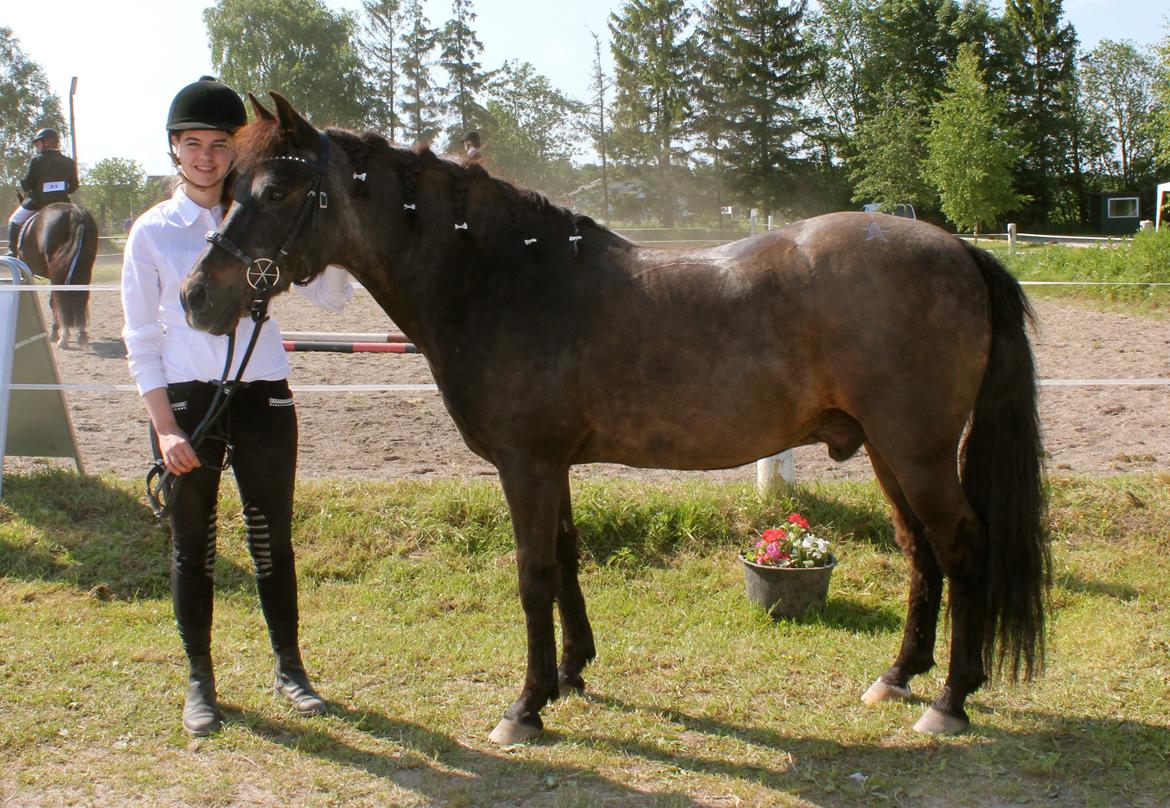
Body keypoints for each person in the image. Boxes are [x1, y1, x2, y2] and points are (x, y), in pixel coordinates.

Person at [121, 77, 354, 737]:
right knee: (192, 546)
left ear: (235, 151)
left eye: (218, 144)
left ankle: (291, 669)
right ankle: (201, 680)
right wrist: (165, 430)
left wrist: (329, 235)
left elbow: (331, 299)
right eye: (191, 143)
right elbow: (141, 339)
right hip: (189, 406)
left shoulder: (261, 217)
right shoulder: (152, 235)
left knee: (270, 540)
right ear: (174, 149)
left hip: (264, 398)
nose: (204, 156)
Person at [7, 128, 79, 256]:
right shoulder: (69, 162)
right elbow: (74, 187)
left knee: (14, 220)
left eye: (38, 143)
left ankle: (12, 251)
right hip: (62, 202)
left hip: (38, 202)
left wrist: (23, 182)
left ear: (47, 142)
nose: (36, 146)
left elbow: (28, 185)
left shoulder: (37, 160)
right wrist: (61, 188)